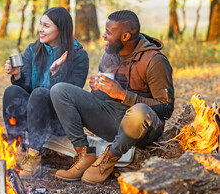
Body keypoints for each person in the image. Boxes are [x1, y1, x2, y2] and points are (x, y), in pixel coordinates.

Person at [51, 10, 175, 184]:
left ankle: (109, 158)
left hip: (141, 128)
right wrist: (98, 89)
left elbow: (166, 108)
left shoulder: (154, 61)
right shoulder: (108, 55)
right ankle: (83, 154)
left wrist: (123, 95)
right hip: (111, 118)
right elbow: (103, 100)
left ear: (125, 36)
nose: (104, 35)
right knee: (60, 90)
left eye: (109, 32)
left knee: (139, 111)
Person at [3, 7, 89, 178]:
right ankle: (18, 150)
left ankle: (34, 157)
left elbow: (72, 96)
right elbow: (26, 88)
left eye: (46, 26)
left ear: (61, 29)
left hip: (59, 119)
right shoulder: (33, 50)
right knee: (12, 91)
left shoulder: (78, 55)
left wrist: (56, 74)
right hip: (35, 115)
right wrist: (17, 75)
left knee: (41, 93)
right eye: (40, 24)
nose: (40, 29)